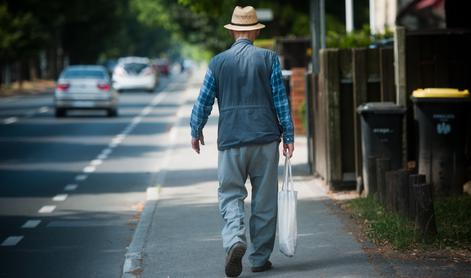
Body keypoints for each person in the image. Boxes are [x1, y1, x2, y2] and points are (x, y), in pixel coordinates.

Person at [190, 6, 294, 277]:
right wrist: (289, 136)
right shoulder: (269, 59)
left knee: (230, 194)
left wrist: (196, 129)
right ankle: (259, 259)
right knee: (265, 201)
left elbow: (204, 100)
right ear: (256, 31)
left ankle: (235, 238)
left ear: (234, 30)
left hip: (231, 140)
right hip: (265, 139)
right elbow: (281, 101)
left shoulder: (218, 62)